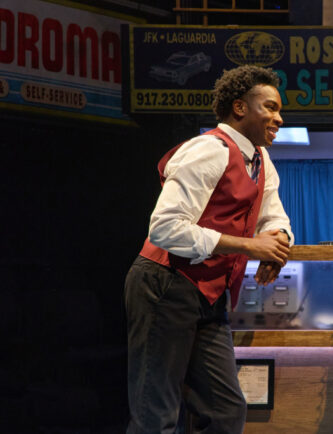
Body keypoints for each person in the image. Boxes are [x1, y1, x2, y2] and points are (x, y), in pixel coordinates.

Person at [124, 65, 293, 434]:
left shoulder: (261, 160)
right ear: (239, 108)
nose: (279, 118)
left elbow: (275, 218)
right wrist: (253, 246)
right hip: (166, 283)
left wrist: (277, 245)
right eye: (270, 107)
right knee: (156, 414)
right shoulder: (209, 149)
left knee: (224, 410)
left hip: (209, 295)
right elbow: (165, 228)